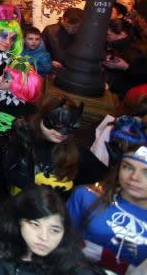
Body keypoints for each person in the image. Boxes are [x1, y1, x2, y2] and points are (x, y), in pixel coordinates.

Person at [68, 116, 147, 274]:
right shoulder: (85, 196)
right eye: (128, 167)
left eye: (146, 172)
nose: (134, 178)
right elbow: (60, 248)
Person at [0, 186, 99, 275]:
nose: (44, 237)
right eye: (35, 225)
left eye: (54, 230)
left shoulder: (68, 259)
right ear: (19, 221)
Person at [1, 96, 107, 197]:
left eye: (68, 126)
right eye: (57, 124)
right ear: (41, 117)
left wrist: (117, 166)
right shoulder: (21, 141)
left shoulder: (76, 152)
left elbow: (105, 179)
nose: (61, 132)